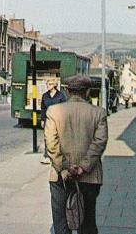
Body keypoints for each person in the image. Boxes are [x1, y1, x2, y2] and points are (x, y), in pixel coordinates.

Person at [45, 75, 108, 234]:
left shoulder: (54, 111)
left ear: (67, 91)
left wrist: (64, 168)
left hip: (60, 177)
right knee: (87, 223)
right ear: (87, 92)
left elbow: (51, 144)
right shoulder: (98, 112)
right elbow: (99, 143)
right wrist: (83, 167)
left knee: (61, 225)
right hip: (89, 176)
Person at [39, 78, 66, 164]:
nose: (48, 86)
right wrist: (42, 120)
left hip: (58, 120)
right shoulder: (45, 95)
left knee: (57, 138)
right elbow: (43, 108)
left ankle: (58, 156)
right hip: (48, 119)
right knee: (47, 138)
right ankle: (47, 156)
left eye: (50, 84)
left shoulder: (60, 96)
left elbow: (64, 108)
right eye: (47, 84)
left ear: (55, 85)